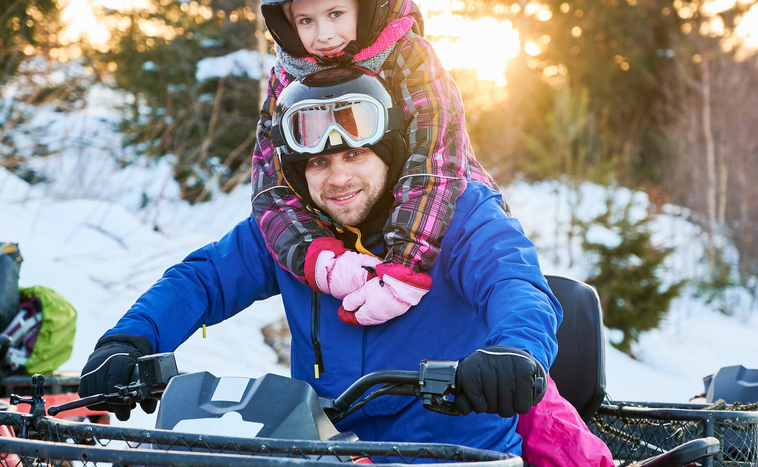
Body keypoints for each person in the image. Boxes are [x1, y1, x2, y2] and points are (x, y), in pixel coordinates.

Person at [78, 68, 561, 456]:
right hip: (326, 452)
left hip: (451, 454)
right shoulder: (298, 237)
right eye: (318, 163)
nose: (338, 178)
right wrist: (131, 339)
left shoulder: (458, 215)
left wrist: (514, 353)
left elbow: (515, 283)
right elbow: (203, 279)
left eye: (354, 155)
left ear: (389, 156)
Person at [252, 0, 506, 326]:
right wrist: (316, 256)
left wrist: (405, 264)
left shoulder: (411, 57)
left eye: (336, 14)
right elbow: (270, 179)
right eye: (306, 20)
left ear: (366, 3)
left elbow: (435, 156)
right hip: (349, 210)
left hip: (437, 205)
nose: (323, 35)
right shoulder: (287, 77)